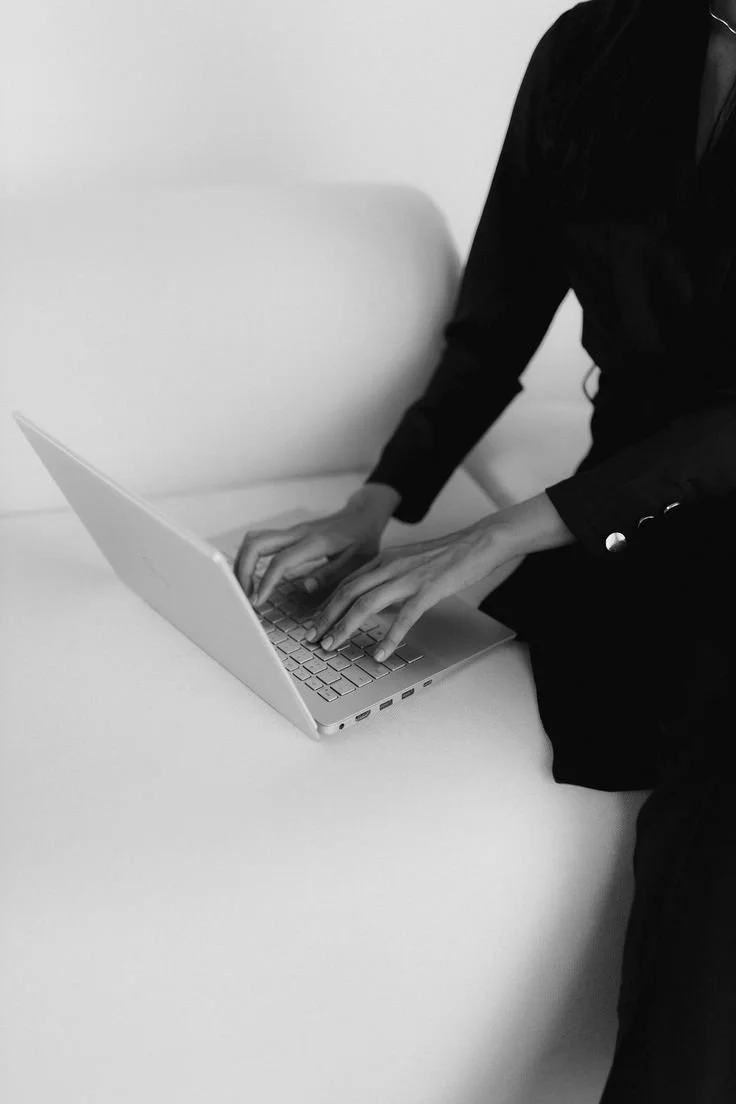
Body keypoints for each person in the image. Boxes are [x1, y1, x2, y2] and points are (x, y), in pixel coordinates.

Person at [234, 2, 736, 1099]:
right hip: (630, 525)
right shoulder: (590, 47)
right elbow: (502, 307)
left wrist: (510, 527)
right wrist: (379, 499)